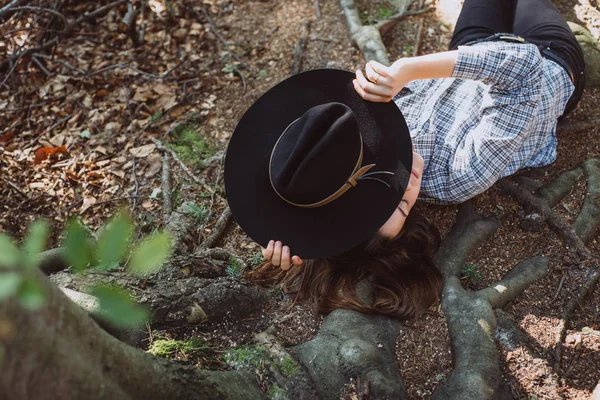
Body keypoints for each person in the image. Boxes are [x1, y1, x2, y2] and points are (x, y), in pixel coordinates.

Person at [225, 0, 585, 320]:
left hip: (470, 49)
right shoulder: (459, 174)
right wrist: (409, 70)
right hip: (549, 58)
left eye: (385, 191)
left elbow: (304, 154)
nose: (406, 182)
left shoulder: (355, 139)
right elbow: (524, 68)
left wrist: (289, 231)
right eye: (402, 207)